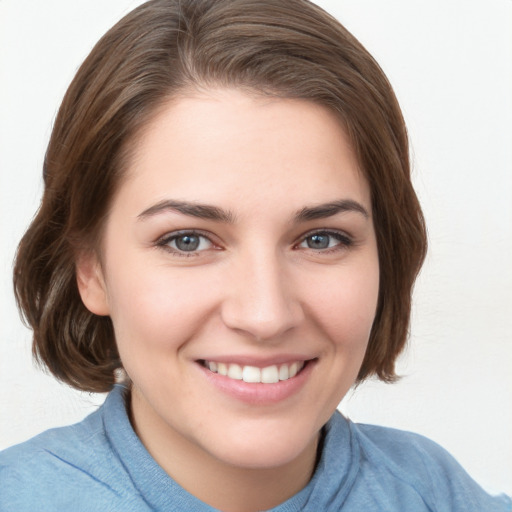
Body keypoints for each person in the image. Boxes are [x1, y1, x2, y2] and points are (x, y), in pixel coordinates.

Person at [0, 0, 510, 510]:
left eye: (321, 239)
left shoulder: (440, 497)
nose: (265, 316)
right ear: (91, 270)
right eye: (188, 240)